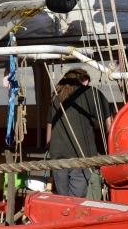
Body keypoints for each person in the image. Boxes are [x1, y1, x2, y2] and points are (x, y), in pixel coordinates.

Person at [46, 68, 113, 197]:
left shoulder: (56, 96)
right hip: (81, 157)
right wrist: (109, 147)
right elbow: (109, 122)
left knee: (62, 199)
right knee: (76, 200)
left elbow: (50, 123)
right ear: (85, 80)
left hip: (57, 158)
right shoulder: (92, 93)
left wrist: (48, 145)